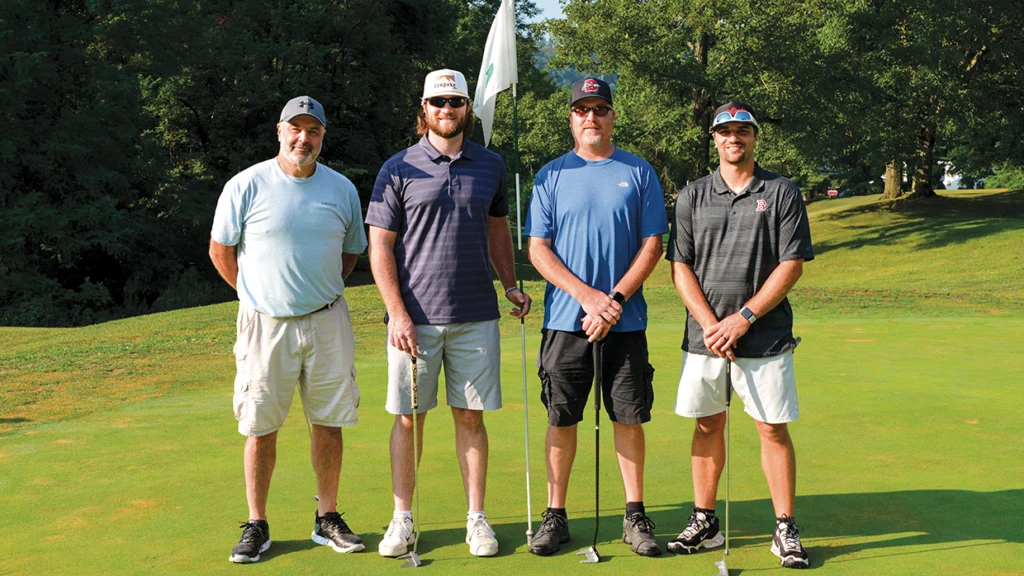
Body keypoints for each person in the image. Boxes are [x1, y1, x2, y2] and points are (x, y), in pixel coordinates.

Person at [365, 69, 532, 558]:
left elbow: (497, 230)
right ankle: (402, 519)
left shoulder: (491, 165)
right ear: (425, 109)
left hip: (476, 313)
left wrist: (510, 285)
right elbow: (380, 248)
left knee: (470, 418)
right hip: (413, 319)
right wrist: (395, 313)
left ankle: (476, 519)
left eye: (455, 101)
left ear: (467, 109)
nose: (447, 110)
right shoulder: (397, 168)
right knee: (407, 420)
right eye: (438, 102)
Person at [209, 96, 368, 563]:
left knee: (329, 421)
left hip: (326, 321)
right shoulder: (246, 184)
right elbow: (221, 251)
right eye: (295, 129)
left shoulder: (341, 189)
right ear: (279, 131)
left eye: (313, 131)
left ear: (323, 136)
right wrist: (256, 295)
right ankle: (257, 523)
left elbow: (350, 253)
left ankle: (327, 518)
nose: (304, 138)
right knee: (260, 427)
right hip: (264, 326)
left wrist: (318, 291)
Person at [665, 101, 814, 569]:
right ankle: (705, 521)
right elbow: (680, 266)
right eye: (725, 131)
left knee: (771, 428)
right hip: (705, 337)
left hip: (764, 334)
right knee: (707, 423)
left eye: (743, 131)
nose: (734, 138)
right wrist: (713, 325)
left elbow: (791, 264)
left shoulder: (782, 191)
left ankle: (785, 526)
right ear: (714, 138)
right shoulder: (691, 196)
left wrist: (743, 318)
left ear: (754, 137)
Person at [525, 77, 668, 557]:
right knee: (562, 417)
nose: (592, 118)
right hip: (566, 321)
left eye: (600, 109)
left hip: (625, 322)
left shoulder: (640, 171)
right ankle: (555, 516)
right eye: (582, 110)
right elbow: (538, 249)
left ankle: (634, 516)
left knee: (628, 417)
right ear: (571, 118)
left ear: (612, 116)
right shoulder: (550, 175)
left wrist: (615, 300)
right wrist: (589, 297)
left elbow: (653, 244)